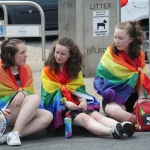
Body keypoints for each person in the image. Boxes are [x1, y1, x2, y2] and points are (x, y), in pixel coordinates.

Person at [40, 37, 134, 139]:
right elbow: (48, 96)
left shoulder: (74, 69)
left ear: (70, 55)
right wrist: (65, 103)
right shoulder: (47, 70)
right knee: (85, 118)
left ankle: (119, 126)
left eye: (63, 54)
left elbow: (78, 90)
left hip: (76, 104)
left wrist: (83, 100)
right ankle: (111, 131)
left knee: (96, 115)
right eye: (57, 52)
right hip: (60, 107)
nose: (58, 56)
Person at [94, 20, 149, 126]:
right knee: (114, 111)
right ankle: (141, 121)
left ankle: (134, 121)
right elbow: (100, 78)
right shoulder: (110, 53)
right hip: (114, 97)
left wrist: (141, 98)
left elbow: (140, 77)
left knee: (142, 106)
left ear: (131, 39)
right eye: (115, 37)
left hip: (133, 96)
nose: (116, 41)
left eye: (121, 38)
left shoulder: (140, 55)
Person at [0, 39, 53, 146]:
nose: (26, 55)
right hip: (3, 112)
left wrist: (22, 93)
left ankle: (10, 134)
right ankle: (15, 133)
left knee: (47, 116)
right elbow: (31, 96)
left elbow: (29, 90)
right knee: (35, 98)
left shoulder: (26, 68)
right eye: (22, 53)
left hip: (18, 111)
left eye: (26, 52)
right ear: (10, 56)